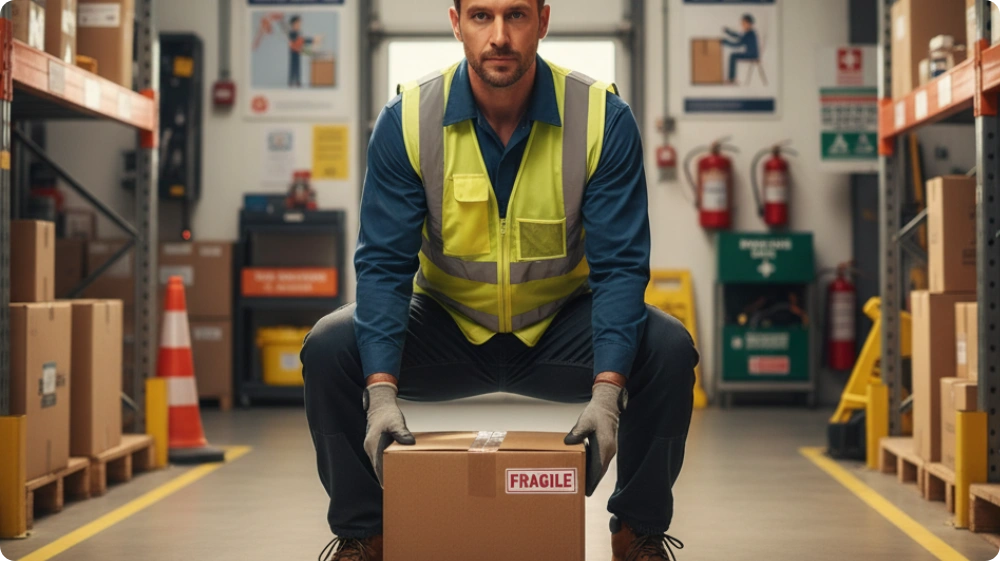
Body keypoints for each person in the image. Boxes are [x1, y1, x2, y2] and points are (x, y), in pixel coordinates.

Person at [301, 1, 698, 560]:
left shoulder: (600, 118)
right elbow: (385, 268)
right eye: (482, 16)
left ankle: (636, 534)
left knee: (668, 348)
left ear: (543, 20)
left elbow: (619, 270)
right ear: (456, 22)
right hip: (446, 328)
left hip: (560, 331)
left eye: (516, 15)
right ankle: (365, 535)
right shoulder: (409, 120)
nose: (500, 36)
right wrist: (381, 392)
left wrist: (608, 393)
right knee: (329, 347)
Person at [722, 13, 760, 84]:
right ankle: (731, 79)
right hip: (751, 53)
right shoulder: (749, 32)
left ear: (749, 24)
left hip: (752, 55)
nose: (742, 25)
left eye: (744, 23)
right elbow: (738, 36)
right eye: (742, 23)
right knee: (733, 55)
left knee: (733, 56)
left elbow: (736, 45)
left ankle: (731, 79)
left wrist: (725, 42)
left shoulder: (749, 34)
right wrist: (728, 32)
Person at [287, 15, 314, 87]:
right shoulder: (292, 33)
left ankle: (298, 82)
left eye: (300, 24)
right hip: (294, 52)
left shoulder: (298, 33)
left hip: (298, 52)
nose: (299, 25)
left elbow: (302, 42)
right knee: (293, 68)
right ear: (293, 24)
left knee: (298, 68)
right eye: (298, 24)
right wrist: (311, 40)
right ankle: (291, 82)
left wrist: (311, 42)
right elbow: (300, 41)